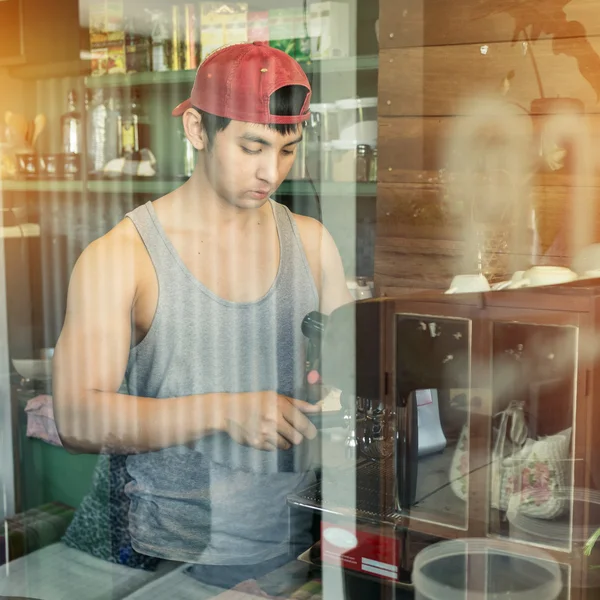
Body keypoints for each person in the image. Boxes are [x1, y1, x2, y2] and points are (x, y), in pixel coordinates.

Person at [52, 41, 353, 592]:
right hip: (153, 553)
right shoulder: (123, 256)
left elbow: (350, 387)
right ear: (196, 129)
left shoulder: (312, 245)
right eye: (252, 146)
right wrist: (223, 411)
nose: (270, 172)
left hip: (284, 548)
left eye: (288, 150)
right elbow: (76, 420)